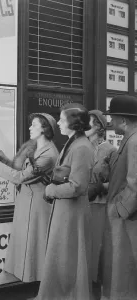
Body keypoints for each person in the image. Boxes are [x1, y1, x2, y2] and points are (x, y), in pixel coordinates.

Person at [0, 113, 59, 283]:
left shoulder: (49, 155)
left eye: (34, 125)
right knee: (26, 245)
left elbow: (21, 178)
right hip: (26, 202)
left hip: (37, 206)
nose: (30, 128)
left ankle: (40, 285)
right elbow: (19, 171)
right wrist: (3, 158)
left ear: (45, 129)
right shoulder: (35, 148)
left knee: (35, 245)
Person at [37, 103, 94, 300]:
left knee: (69, 258)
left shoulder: (81, 147)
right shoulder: (75, 143)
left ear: (74, 123)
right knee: (63, 257)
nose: (59, 123)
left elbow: (78, 186)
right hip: (66, 210)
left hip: (72, 212)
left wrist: (51, 189)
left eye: (62, 119)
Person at [102, 95, 137, 300]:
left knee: (125, 268)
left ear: (123, 120)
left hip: (127, 218)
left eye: (113, 117)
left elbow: (135, 184)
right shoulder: (130, 139)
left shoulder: (134, 141)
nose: (110, 121)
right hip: (125, 217)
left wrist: (118, 209)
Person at [85, 110, 117, 300]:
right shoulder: (80, 146)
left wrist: (99, 187)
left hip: (100, 207)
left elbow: (119, 182)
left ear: (98, 125)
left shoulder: (110, 151)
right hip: (80, 206)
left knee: (97, 256)